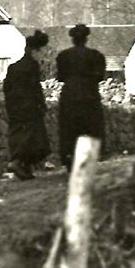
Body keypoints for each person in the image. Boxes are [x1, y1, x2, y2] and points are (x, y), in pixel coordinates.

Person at [55, 24, 106, 171]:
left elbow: (60, 77)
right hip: (89, 95)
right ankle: (89, 157)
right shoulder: (96, 56)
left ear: (73, 39)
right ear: (86, 38)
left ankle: (70, 157)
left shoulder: (63, 56)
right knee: (90, 127)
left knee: (69, 128)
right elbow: (100, 77)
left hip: (69, 95)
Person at [2, 30, 51, 180]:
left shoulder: (13, 67)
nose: (43, 55)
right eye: (41, 51)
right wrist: (41, 105)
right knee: (33, 140)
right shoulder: (32, 67)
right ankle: (18, 163)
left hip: (14, 108)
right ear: (34, 51)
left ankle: (23, 167)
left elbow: (7, 88)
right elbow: (35, 88)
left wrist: (11, 104)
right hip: (30, 108)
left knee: (18, 136)